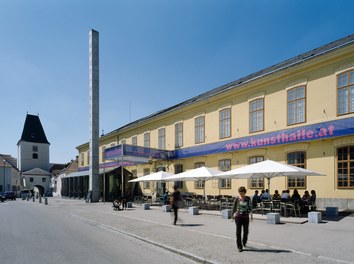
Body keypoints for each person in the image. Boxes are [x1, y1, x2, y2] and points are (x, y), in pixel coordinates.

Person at [232, 186, 252, 252]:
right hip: (238, 217)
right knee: (238, 232)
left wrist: (250, 215)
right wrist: (233, 215)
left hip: (245, 217)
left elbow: (250, 207)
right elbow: (234, 207)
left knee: (246, 231)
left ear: (244, 192)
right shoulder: (237, 199)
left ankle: (244, 241)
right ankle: (239, 246)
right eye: (240, 193)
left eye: (242, 193)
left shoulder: (248, 198)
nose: (241, 194)